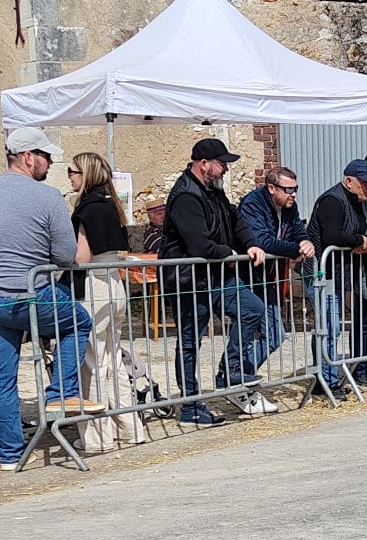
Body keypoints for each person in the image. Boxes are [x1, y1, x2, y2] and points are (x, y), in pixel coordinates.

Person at [0, 127, 97, 468]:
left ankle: (10, 454)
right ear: (28, 157)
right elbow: (64, 254)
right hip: (28, 293)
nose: (49, 163)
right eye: (45, 156)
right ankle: (60, 394)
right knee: (78, 321)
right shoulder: (46, 197)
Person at [158, 134, 272, 423]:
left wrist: (250, 244)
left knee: (253, 309)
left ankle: (232, 368)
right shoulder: (186, 195)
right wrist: (231, 252)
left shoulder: (214, 190)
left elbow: (235, 220)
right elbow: (199, 245)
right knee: (189, 342)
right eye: (222, 164)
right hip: (189, 281)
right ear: (204, 164)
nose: (226, 169)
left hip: (218, 275)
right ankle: (190, 404)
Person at [66, 151, 147, 450]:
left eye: (73, 171)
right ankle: (129, 428)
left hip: (94, 285)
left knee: (93, 363)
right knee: (111, 360)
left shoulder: (88, 208)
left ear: (85, 173)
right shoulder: (112, 205)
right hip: (114, 284)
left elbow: (82, 256)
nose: (70, 176)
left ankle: (98, 436)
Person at [236, 163, 314, 386]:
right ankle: (235, 375)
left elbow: (299, 231)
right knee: (248, 333)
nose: (294, 194)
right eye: (288, 189)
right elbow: (262, 241)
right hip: (246, 277)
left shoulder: (290, 206)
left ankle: (238, 375)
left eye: (295, 188)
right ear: (272, 188)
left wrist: (306, 241)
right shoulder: (253, 204)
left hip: (266, 278)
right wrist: (296, 249)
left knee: (274, 335)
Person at [306, 157, 367, 392]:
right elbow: (332, 236)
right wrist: (360, 240)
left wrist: (363, 240)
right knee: (328, 327)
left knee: (332, 326)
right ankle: (325, 380)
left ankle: (328, 378)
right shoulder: (332, 201)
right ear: (349, 181)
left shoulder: (357, 201)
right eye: (364, 183)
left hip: (338, 273)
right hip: (320, 272)